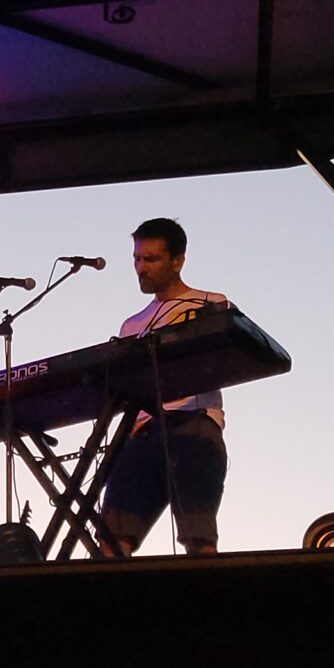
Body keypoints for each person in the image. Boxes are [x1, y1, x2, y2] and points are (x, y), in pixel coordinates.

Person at [102, 217, 231, 557]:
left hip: (193, 424)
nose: (141, 268)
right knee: (112, 541)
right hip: (142, 432)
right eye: (136, 259)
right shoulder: (132, 325)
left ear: (178, 261)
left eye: (151, 259)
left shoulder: (209, 303)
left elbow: (224, 360)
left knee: (198, 538)